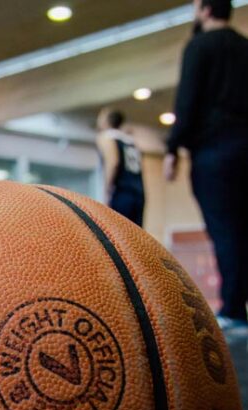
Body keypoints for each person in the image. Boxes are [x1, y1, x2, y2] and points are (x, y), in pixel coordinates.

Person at [164, 0, 248, 332]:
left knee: (224, 229)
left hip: (215, 152)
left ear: (205, 10)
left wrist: (172, 147)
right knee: (243, 228)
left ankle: (233, 309)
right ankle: (237, 304)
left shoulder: (199, 46)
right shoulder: (245, 47)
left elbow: (188, 100)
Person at [96, 108, 146, 227]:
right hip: (139, 191)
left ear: (106, 121)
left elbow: (113, 162)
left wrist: (106, 190)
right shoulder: (130, 140)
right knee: (135, 235)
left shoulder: (107, 137)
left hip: (121, 192)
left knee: (117, 234)